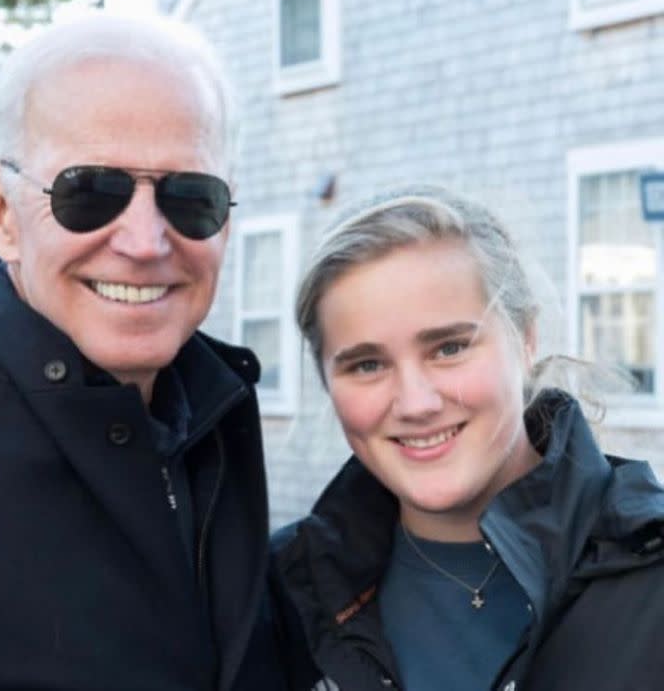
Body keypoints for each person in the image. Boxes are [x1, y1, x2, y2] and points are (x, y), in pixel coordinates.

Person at [0, 14, 284, 690]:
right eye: (89, 192)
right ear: (1, 210)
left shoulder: (214, 424)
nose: (144, 240)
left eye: (189, 197)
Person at [271, 185, 664, 690]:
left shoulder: (649, 574)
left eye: (449, 347)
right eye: (367, 364)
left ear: (526, 339)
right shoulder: (281, 597)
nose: (416, 403)